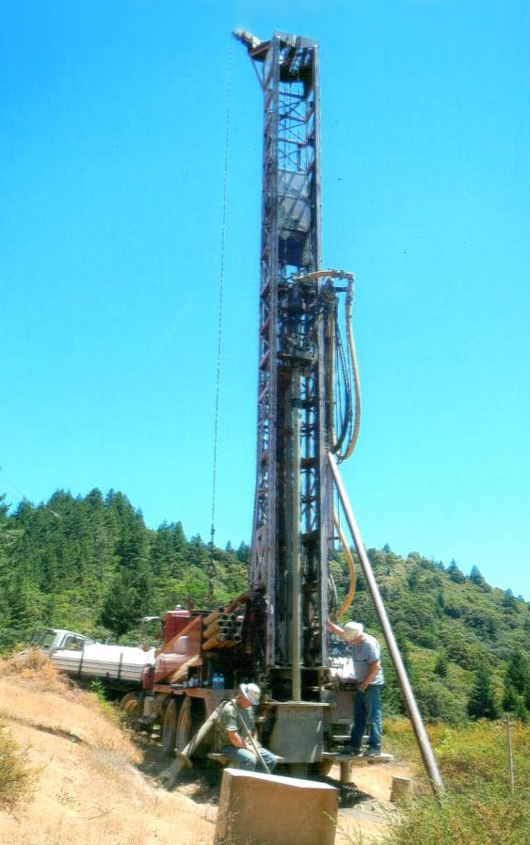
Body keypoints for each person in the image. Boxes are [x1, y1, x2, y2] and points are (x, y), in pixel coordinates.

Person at [328, 620, 384, 757]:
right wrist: (328, 623)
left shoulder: (369, 644)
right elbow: (340, 633)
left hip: (372, 685)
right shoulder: (354, 638)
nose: (348, 642)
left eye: (350, 640)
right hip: (362, 685)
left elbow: (375, 666)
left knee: (373, 716)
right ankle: (354, 746)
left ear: (357, 636)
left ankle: (375, 748)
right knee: (359, 716)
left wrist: (365, 684)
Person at [217, 682, 280, 772]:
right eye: (250, 701)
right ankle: (246, 784)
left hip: (245, 744)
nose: (251, 704)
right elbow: (233, 737)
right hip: (230, 746)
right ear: (242, 696)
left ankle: (258, 782)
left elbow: (253, 729)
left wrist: (254, 743)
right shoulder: (230, 710)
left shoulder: (248, 709)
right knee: (249, 759)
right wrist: (249, 748)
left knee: (271, 760)